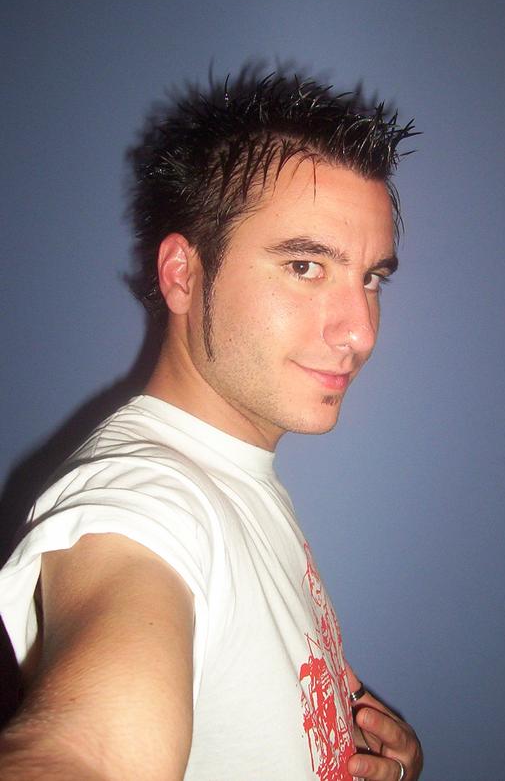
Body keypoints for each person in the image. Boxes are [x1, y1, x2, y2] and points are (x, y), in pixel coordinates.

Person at [0, 74, 423, 781]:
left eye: (371, 278)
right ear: (182, 275)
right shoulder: (140, 501)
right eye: (305, 266)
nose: (360, 332)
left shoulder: (235, 473)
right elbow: (83, 750)